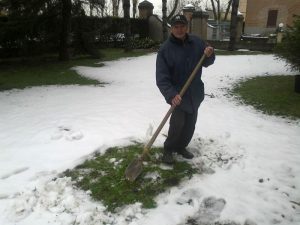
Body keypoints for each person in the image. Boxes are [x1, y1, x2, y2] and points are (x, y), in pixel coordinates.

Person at [156, 14, 215, 164]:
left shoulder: (197, 42)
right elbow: (162, 79)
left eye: (182, 26)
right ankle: (169, 149)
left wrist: (209, 54)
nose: (179, 29)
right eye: (176, 26)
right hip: (178, 95)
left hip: (194, 93)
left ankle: (181, 147)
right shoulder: (165, 50)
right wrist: (171, 94)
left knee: (190, 124)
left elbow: (207, 62)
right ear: (171, 28)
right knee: (177, 124)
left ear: (186, 27)